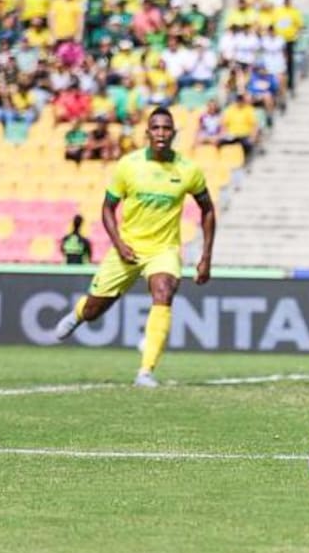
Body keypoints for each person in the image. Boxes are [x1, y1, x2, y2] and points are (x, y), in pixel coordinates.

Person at [54, 108, 216, 388]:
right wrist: (119, 244)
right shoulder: (128, 166)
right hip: (127, 248)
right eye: (156, 128)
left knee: (164, 292)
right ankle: (79, 314)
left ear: (174, 133)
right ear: (147, 133)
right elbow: (107, 208)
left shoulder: (189, 170)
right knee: (95, 310)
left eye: (167, 128)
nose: (161, 133)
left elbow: (207, 210)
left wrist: (205, 257)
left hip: (163, 249)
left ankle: (145, 371)